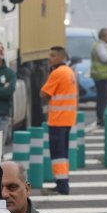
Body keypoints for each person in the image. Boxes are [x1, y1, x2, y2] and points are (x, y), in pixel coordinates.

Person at [39, 46, 78, 195]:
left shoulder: (57, 73)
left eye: (53, 55)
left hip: (58, 119)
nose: (50, 58)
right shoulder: (69, 71)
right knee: (63, 153)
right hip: (67, 119)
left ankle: (62, 185)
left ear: (61, 57)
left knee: (57, 154)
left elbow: (43, 93)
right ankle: (62, 182)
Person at [89, 28, 107, 127]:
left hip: (102, 76)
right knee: (103, 98)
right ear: (102, 36)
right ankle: (101, 118)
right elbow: (105, 58)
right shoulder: (100, 46)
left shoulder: (101, 45)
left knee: (105, 98)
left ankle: (104, 117)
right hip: (101, 76)